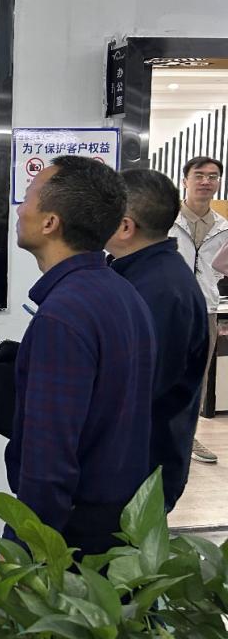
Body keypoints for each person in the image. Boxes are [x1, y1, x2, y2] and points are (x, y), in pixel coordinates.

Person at [8, 156, 155, 554]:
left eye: (28, 197)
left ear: (50, 222)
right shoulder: (123, 293)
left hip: (69, 541)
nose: (19, 210)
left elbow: (49, 459)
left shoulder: (62, 315)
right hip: (115, 526)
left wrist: (29, 550)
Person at [106, 169, 209, 511]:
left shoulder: (160, 291)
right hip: (126, 466)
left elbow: (137, 390)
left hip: (137, 475)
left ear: (125, 227)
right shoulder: (137, 273)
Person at [172, 156, 228, 464]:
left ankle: (187, 437)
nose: (206, 181)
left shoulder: (224, 227)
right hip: (168, 308)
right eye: (199, 175)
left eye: (213, 176)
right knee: (160, 370)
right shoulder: (166, 219)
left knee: (197, 376)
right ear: (185, 180)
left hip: (206, 308)